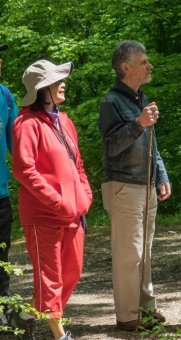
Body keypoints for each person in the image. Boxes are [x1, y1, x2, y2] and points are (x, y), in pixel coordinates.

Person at [12, 60, 93, 340]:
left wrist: (84, 195)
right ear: (42, 89)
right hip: (43, 216)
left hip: (73, 213)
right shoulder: (26, 123)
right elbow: (24, 170)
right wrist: (57, 202)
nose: (63, 84)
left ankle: (27, 316)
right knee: (51, 277)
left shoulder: (65, 121)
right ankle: (59, 335)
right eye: (57, 80)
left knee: (72, 272)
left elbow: (78, 164)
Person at [98, 40, 171, 332]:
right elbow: (112, 146)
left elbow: (152, 143)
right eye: (144, 61)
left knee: (146, 251)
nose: (149, 65)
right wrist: (138, 124)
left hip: (146, 184)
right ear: (125, 67)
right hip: (123, 185)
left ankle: (146, 308)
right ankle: (127, 316)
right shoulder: (111, 102)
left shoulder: (140, 98)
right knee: (130, 254)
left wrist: (162, 175)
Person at [0, 42, 18, 324]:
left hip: (0, 195)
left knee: (2, 257)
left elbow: (19, 145)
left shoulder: (5, 96)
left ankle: (2, 309)